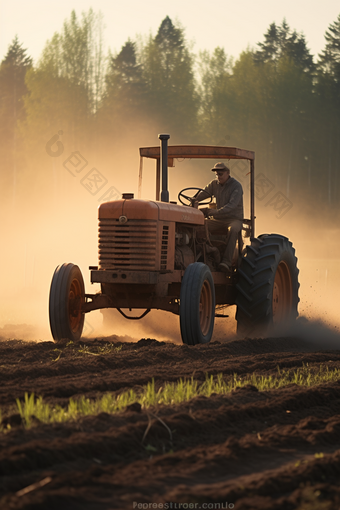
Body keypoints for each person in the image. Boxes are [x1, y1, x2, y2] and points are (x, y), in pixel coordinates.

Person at [192, 162, 244, 272]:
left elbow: (231, 206)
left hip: (234, 219)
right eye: (216, 174)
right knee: (199, 225)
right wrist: (193, 200)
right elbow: (202, 194)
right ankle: (203, 254)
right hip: (219, 220)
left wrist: (212, 212)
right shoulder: (214, 184)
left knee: (233, 229)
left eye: (220, 174)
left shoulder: (236, 186)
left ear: (228, 173)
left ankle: (226, 262)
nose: (218, 177)